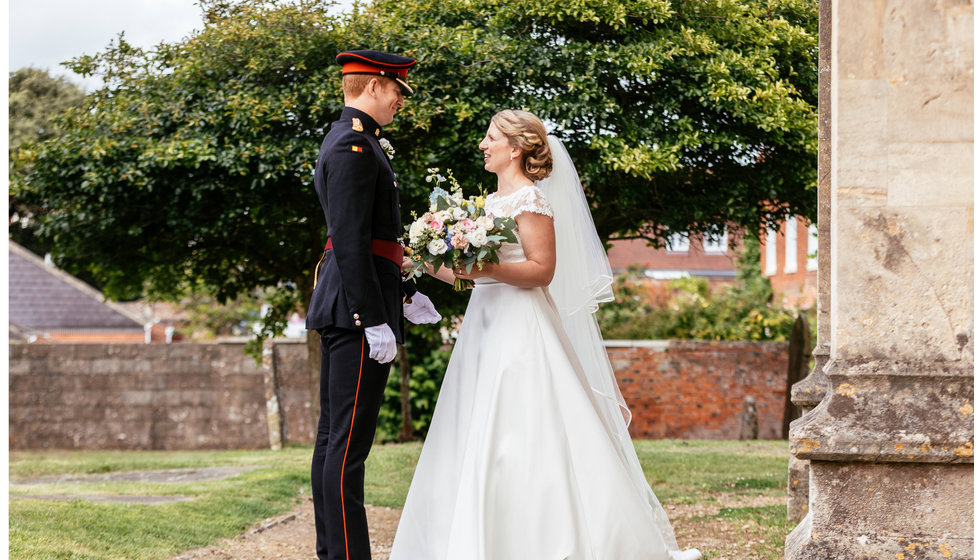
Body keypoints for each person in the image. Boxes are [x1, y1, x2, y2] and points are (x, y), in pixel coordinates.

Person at [389, 110, 702, 560]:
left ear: (514, 149)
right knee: (477, 424)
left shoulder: (531, 201)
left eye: (490, 137)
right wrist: (417, 261)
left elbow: (541, 271)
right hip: (485, 321)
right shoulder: (486, 207)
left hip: (522, 325)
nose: (482, 144)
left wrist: (483, 267)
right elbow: (471, 277)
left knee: (526, 427)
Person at [306, 49, 441, 560]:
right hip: (354, 310)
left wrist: (404, 294)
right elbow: (349, 239)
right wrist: (372, 319)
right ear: (373, 87)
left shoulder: (361, 143)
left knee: (334, 440)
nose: (400, 102)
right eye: (396, 92)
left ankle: (333, 553)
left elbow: (375, 239)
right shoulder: (352, 147)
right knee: (347, 447)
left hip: (357, 303)